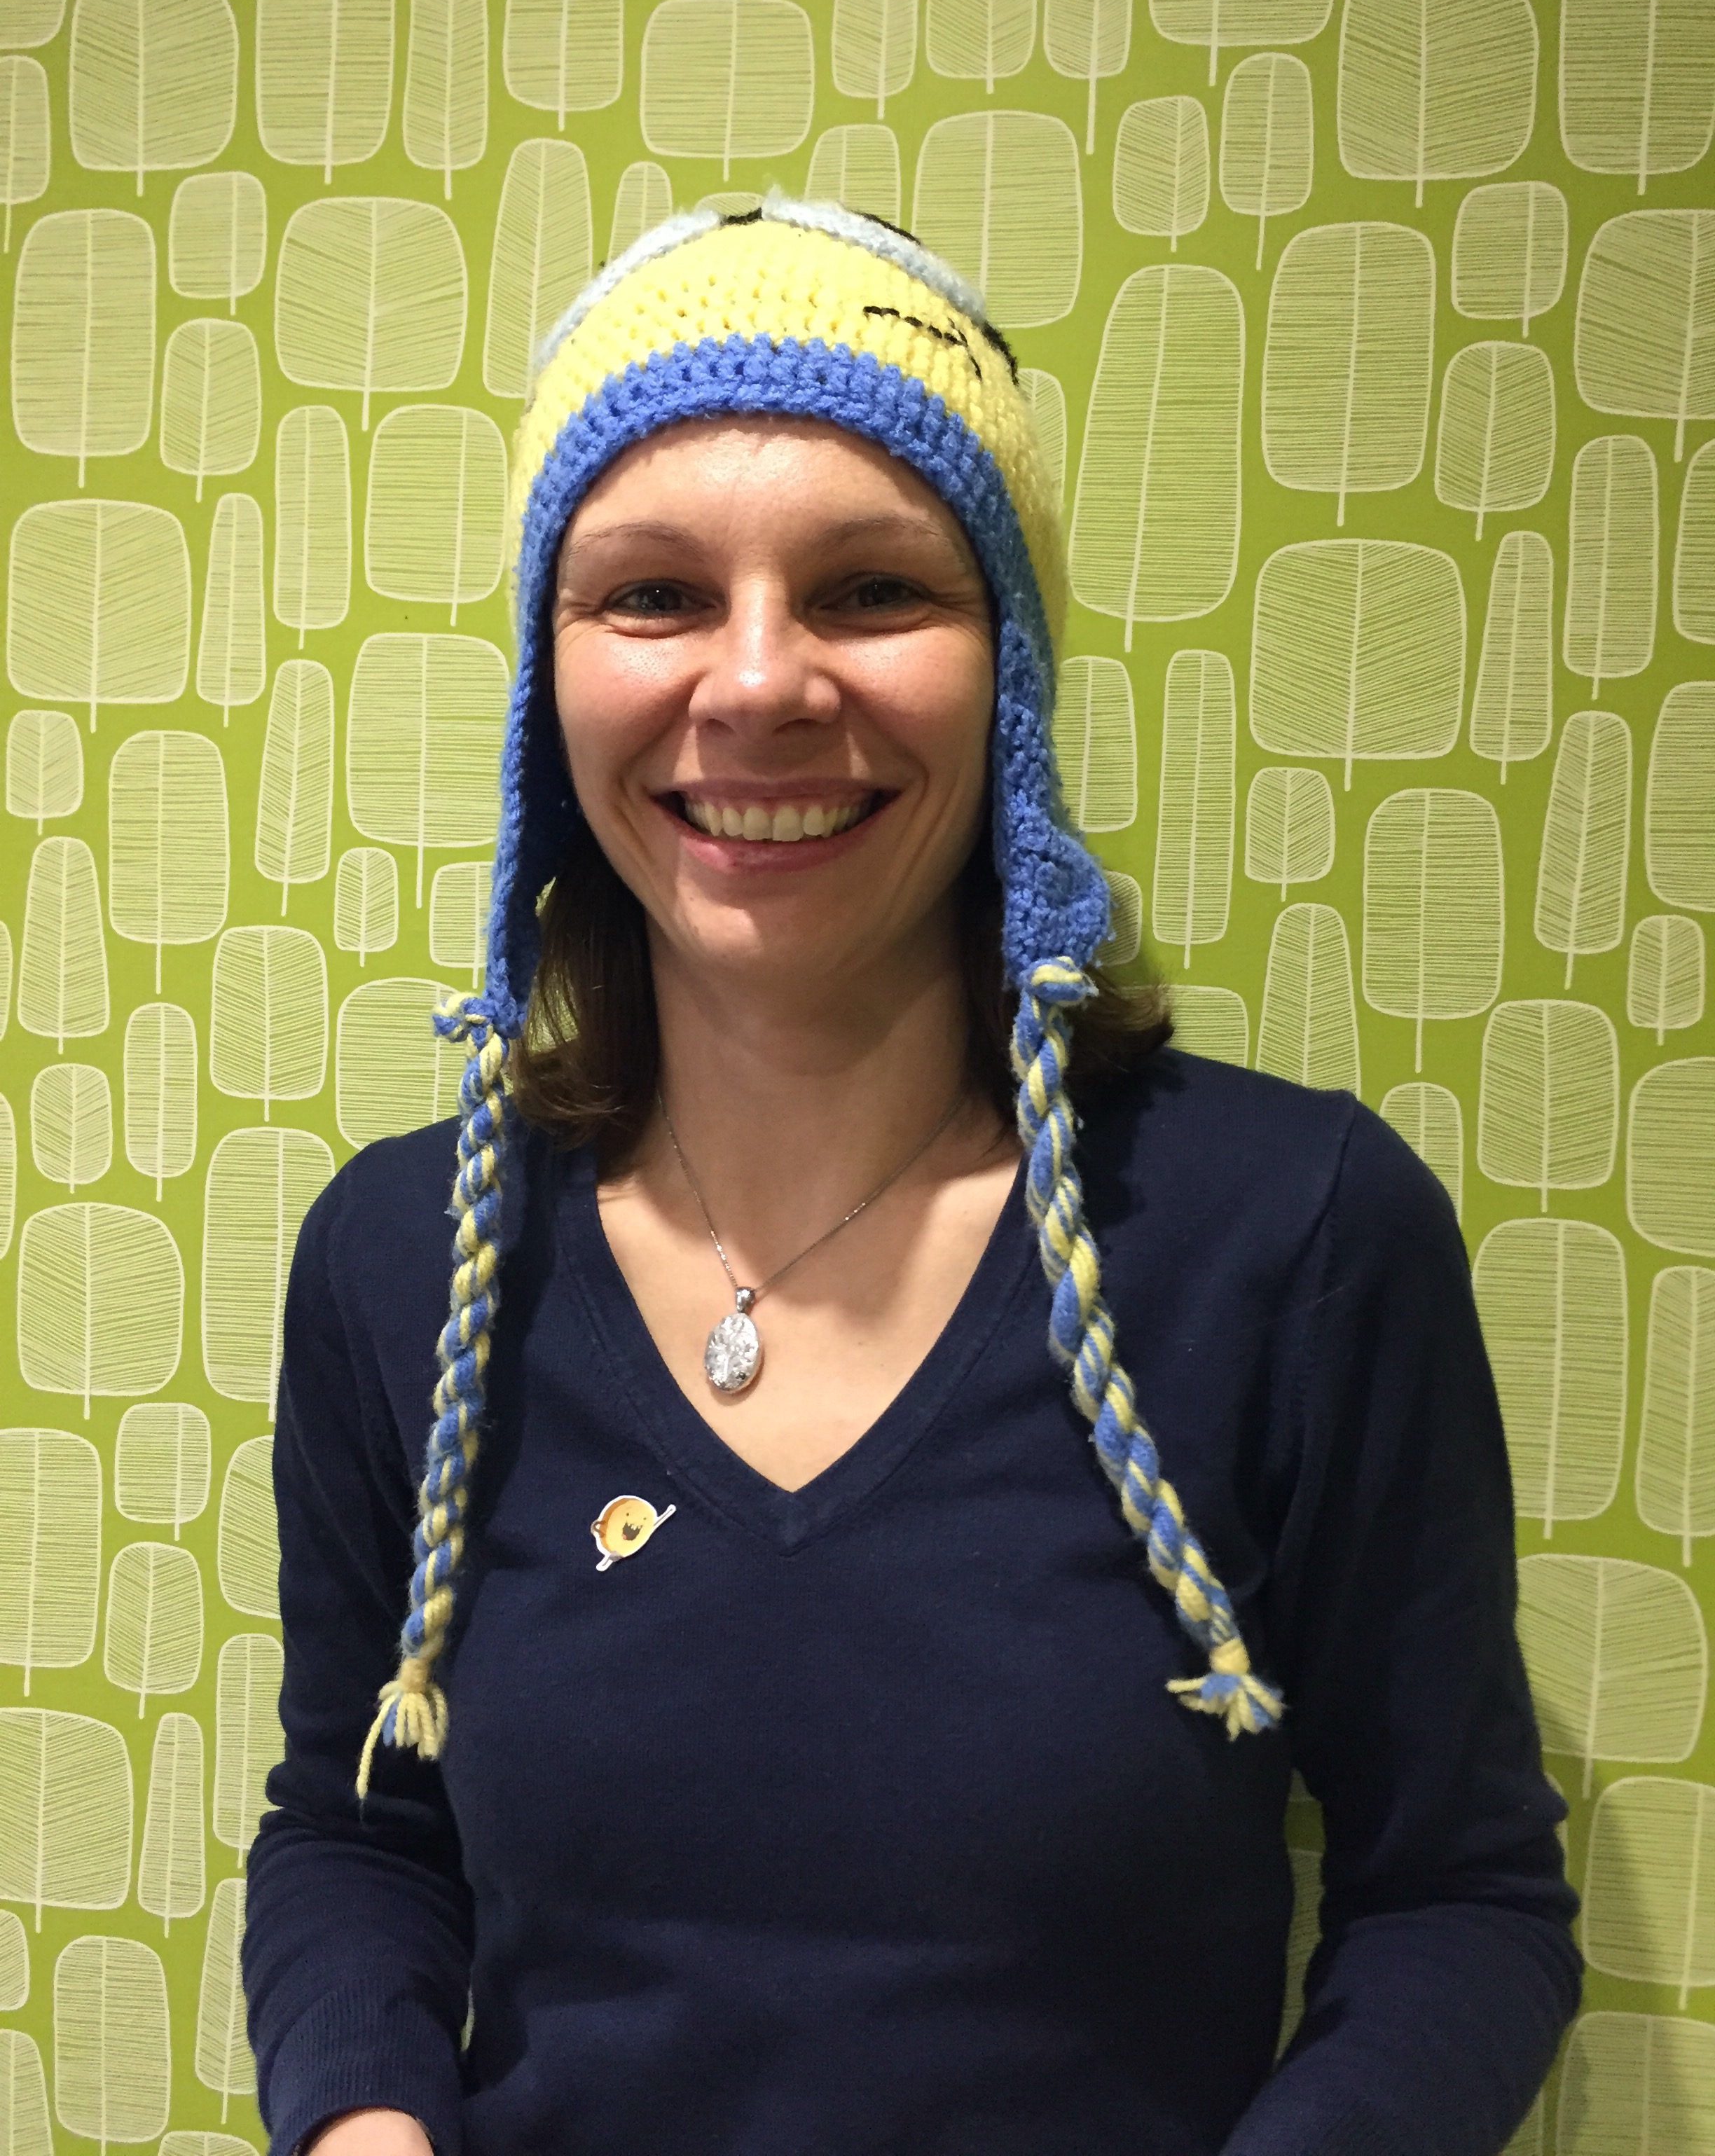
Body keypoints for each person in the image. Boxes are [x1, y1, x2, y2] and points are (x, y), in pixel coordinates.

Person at [242, 195, 1581, 2156]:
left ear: (1009, 670)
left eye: (872, 589)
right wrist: (360, 2122)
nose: (759, 682)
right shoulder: (404, 1262)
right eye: (653, 594)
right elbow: (358, 1833)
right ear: (550, 680)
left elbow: (1460, 1900)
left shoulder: (1296, 1240)